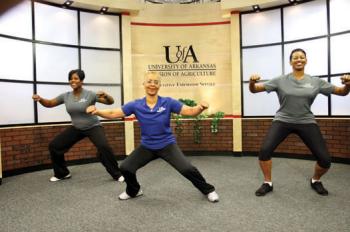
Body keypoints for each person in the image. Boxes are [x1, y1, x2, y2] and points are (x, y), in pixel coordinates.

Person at [86, 71, 219, 203]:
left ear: (159, 85)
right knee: (126, 167)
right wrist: (98, 111)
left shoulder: (168, 102)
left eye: (156, 82)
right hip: (147, 146)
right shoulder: (136, 104)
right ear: (144, 84)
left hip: (167, 145)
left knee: (187, 169)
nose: (152, 84)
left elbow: (190, 111)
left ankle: (208, 190)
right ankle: (134, 191)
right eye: (149, 81)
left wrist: (200, 107)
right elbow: (113, 112)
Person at [249, 48, 350, 196]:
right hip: (282, 120)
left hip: (306, 121)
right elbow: (255, 90)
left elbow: (342, 92)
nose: (299, 59)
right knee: (264, 151)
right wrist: (252, 82)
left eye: (302, 57)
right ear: (290, 62)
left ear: (306, 61)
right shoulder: (280, 80)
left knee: (325, 159)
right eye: (295, 57)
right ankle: (267, 182)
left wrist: (348, 84)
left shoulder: (315, 81)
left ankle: (315, 180)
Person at [32, 69, 124, 182]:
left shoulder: (89, 94)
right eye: (70, 78)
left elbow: (110, 102)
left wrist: (106, 95)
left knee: (104, 147)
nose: (72, 81)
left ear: (81, 81)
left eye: (76, 78)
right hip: (76, 128)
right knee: (54, 146)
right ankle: (62, 173)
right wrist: (40, 99)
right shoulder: (66, 96)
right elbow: (50, 103)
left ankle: (117, 174)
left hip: (93, 126)